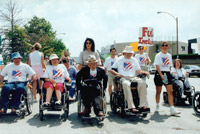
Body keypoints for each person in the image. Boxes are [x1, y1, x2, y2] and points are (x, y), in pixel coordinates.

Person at [110, 46, 150, 114]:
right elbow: (111, 70)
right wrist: (118, 74)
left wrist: (144, 72)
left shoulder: (134, 60)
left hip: (133, 77)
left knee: (143, 83)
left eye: (130, 53)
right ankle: (131, 107)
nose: (129, 54)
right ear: (124, 53)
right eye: (127, 53)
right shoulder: (120, 59)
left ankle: (142, 105)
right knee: (126, 84)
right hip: (123, 77)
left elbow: (138, 71)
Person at [154, 41, 181, 115]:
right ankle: (157, 105)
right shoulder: (158, 55)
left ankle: (172, 109)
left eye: (166, 45)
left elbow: (169, 65)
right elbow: (157, 66)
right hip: (159, 73)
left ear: (168, 47)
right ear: (161, 47)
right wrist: (161, 75)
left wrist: (169, 72)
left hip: (167, 73)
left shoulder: (169, 55)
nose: (164, 47)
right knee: (158, 91)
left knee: (170, 91)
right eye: (163, 45)